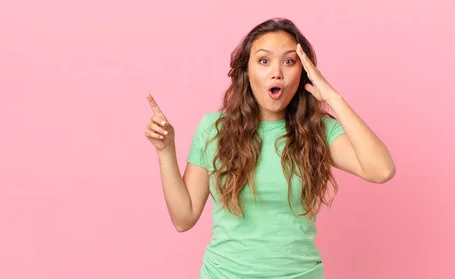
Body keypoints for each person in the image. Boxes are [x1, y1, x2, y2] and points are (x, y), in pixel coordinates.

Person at [144, 17, 395, 279]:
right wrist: (165, 150)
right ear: (247, 70)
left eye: (289, 61)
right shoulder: (214, 129)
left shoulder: (318, 130)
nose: (277, 72)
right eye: (264, 61)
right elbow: (184, 218)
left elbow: (382, 170)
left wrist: (333, 97)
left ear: (304, 72)